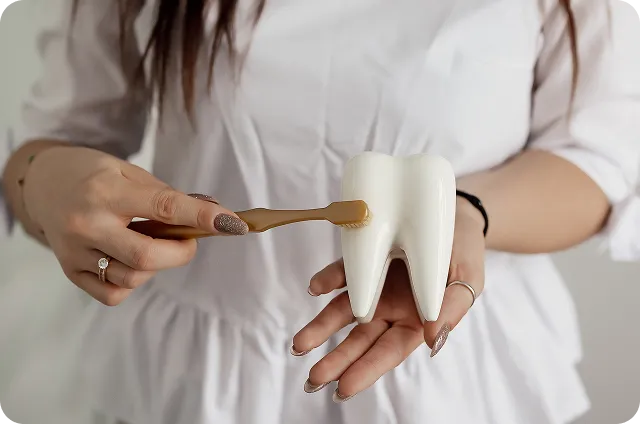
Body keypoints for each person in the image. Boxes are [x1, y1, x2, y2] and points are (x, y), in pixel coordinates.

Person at [1, 0, 639, 423]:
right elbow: (56, 140)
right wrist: (40, 181)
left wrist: (462, 212)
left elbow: (597, 158)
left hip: (448, 369)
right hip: (190, 380)